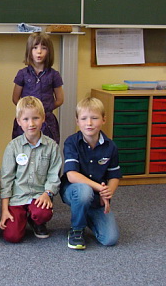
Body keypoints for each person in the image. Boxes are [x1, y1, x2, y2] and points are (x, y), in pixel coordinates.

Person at [0, 96, 62, 243]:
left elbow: (54, 175)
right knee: (12, 236)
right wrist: (4, 210)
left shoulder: (52, 146)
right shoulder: (13, 147)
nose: (31, 124)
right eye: (26, 119)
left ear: (43, 118)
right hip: (18, 197)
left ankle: (36, 221)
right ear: (19, 121)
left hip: (39, 196)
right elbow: (6, 178)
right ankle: (22, 217)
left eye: (35, 118)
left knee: (42, 213)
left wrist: (47, 193)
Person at [61, 97, 121, 250]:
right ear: (77, 121)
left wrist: (107, 193)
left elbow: (114, 176)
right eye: (84, 119)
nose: (89, 123)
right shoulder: (71, 142)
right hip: (74, 190)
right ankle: (77, 229)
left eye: (94, 118)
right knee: (84, 191)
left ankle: (85, 213)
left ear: (103, 120)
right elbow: (72, 175)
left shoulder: (111, 146)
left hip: (97, 196)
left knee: (110, 239)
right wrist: (100, 188)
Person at [12, 32, 64, 144]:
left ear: (49, 51)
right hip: (26, 121)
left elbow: (60, 99)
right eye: (35, 48)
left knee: (47, 148)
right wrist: (27, 112)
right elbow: (15, 98)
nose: (39, 51)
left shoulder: (54, 75)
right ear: (29, 50)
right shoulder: (22, 74)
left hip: (47, 122)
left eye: (43, 48)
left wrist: (45, 109)